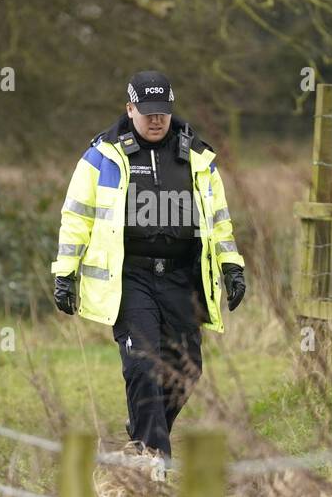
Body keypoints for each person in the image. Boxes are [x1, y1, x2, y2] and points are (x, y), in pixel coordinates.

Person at [50, 70, 246, 463]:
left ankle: (141, 439)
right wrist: (65, 272)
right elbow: (77, 217)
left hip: (181, 276)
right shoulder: (102, 155)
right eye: (147, 112)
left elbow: (219, 219)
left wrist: (231, 266)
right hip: (130, 276)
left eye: (163, 112)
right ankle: (155, 457)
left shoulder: (198, 157)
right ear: (130, 109)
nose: (156, 119)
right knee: (142, 363)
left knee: (186, 372)